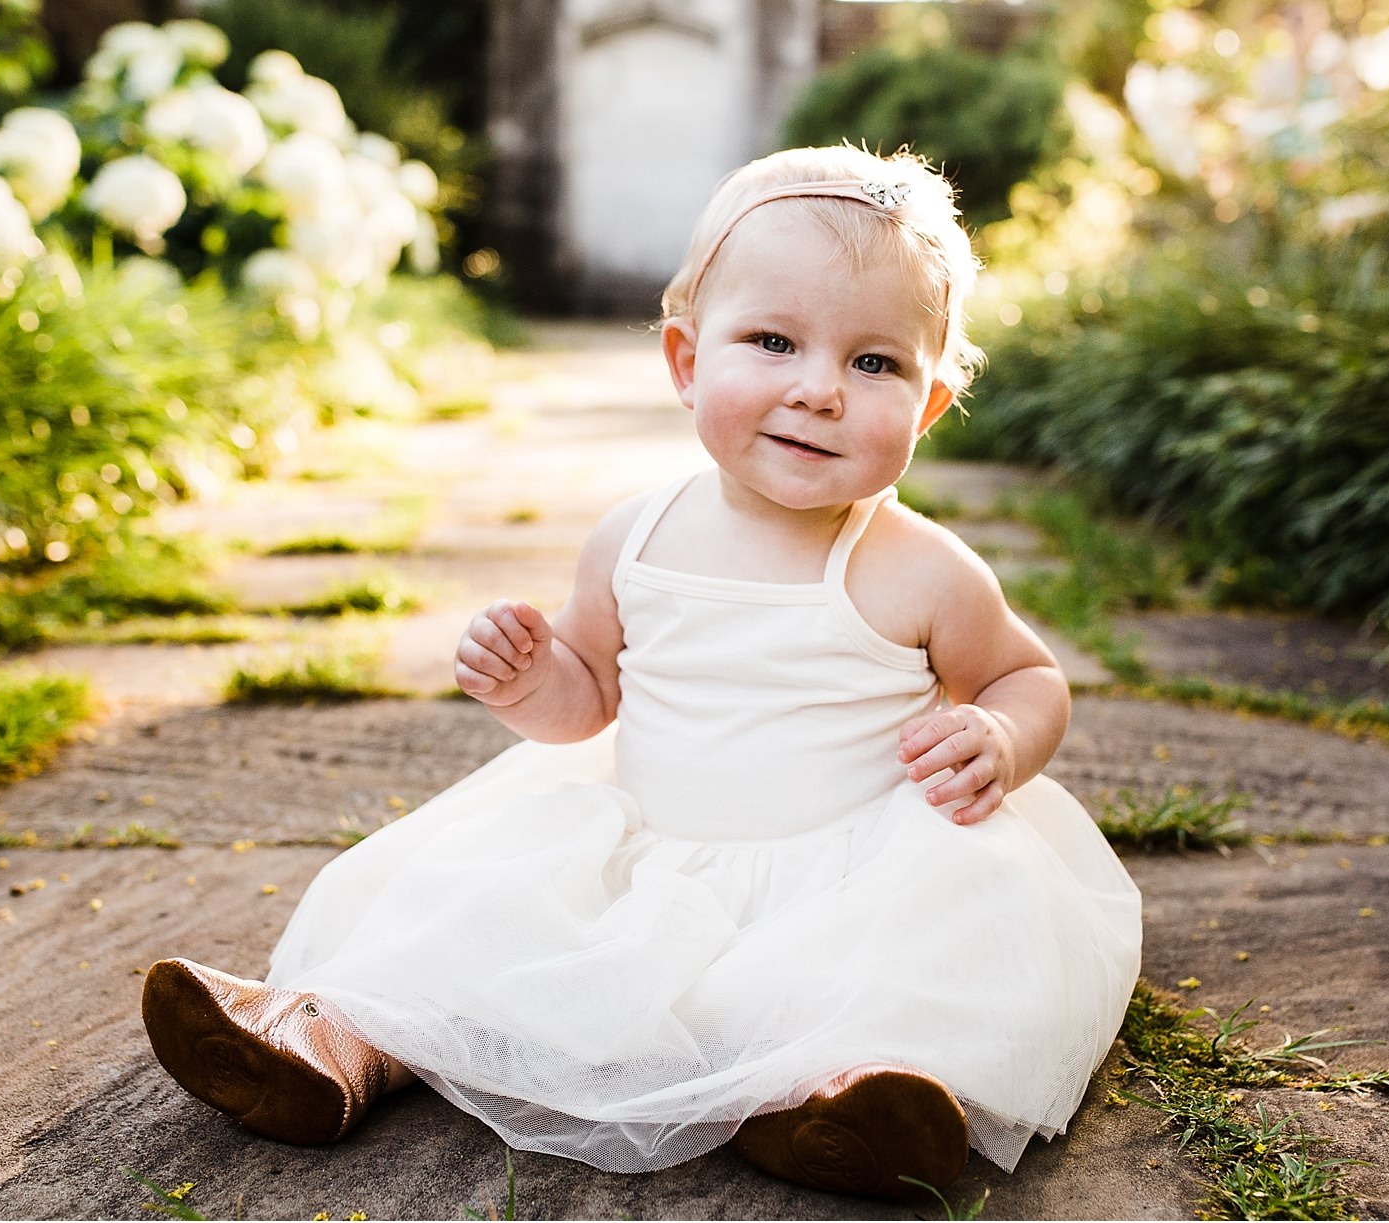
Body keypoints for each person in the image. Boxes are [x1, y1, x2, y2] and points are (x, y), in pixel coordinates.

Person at [141, 144, 1143, 1202]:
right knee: (469, 908)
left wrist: (997, 735)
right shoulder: (635, 536)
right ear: (683, 360)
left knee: (927, 956)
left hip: (852, 872)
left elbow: (1027, 679)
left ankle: (841, 1099)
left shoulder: (922, 569)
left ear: (930, 404)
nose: (819, 389)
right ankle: (330, 1043)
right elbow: (588, 696)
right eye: (772, 341)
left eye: (873, 363)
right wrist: (532, 677)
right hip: (649, 859)